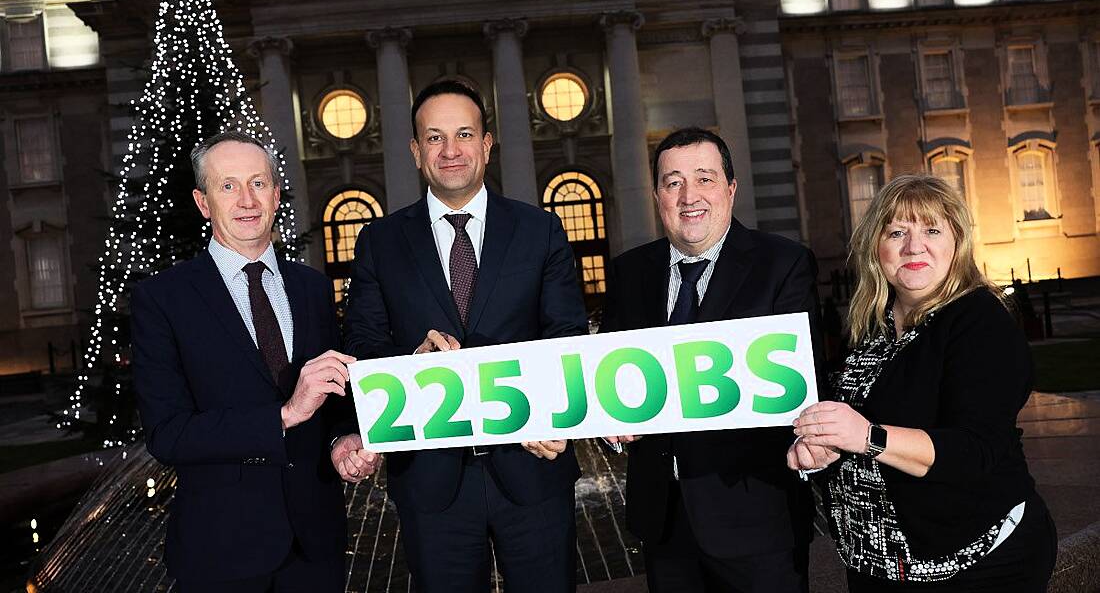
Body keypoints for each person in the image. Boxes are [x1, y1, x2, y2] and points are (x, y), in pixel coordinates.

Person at [335, 80, 589, 593]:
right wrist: (412, 365)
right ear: (415, 151)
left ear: (487, 144)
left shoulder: (540, 230)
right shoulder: (380, 242)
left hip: (533, 467)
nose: (450, 151)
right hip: (431, 482)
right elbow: (361, 344)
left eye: (464, 134)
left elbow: (565, 334)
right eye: (434, 137)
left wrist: (558, 414)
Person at [788, 174, 1057, 592]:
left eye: (931, 230)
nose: (914, 246)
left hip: (973, 562)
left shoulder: (980, 322)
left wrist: (867, 437)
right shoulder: (870, 326)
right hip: (876, 563)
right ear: (876, 247)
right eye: (897, 232)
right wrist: (823, 453)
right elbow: (863, 429)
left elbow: (976, 449)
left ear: (956, 243)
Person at [131, 131, 357, 592]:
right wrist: (284, 415)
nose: (247, 199)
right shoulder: (164, 299)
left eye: (258, 183)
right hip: (222, 551)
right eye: (228, 185)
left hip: (317, 546)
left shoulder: (312, 288)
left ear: (276, 195)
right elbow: (167, 434)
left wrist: (343, 437)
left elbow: (331, 399)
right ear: (203, 202)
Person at [600, 127, 818, 593]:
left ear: (731, 188)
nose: (688, 196)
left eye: (704, 178)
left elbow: (805, 383)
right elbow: (612, 385)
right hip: (664, 523)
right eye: (672, 182)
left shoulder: (783, 265)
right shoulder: (629, 273)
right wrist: (613, 426)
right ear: (657, 194)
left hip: (756, 517)